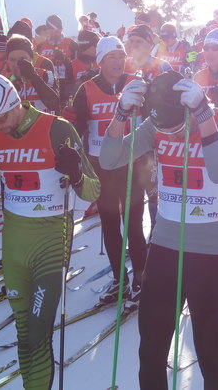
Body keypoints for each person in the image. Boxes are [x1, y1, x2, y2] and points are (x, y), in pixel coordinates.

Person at [0, 74, 100, 389]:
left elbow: (94, 191)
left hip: (51, 242)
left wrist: (77, 174)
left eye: (0, 119)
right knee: (23, 333)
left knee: (37, 334)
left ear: (15, 104)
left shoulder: (57, 128)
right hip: (14, 246)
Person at [100, 71, 218, 390]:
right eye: (165, 130)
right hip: (165, 249)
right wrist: (120, 114)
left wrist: (203, 116)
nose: (171, 135)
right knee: (150, 351)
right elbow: (109, 160)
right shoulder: (156, 124)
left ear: (189, 107)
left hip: (211, 253)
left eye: (177, 128)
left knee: (210, 356)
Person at [68, 36, 149, 303]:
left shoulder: (136, 84)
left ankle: (141, 280)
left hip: (132, 162)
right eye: (111, 57)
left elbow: (152, 121)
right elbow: (78, 126)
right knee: (110, 225)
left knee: (134, 224)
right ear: (100, 61)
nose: (117, 61)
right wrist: (70, 126)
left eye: (121, 56)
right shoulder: (87, 88)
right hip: (101, 165)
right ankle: (119, 279)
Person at [5, 35, 61, 114]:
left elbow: (54, 104)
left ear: (31, 58)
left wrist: (33, 77)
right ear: (7, 61)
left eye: (22, 59)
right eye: (13, 60)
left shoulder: (45, 75)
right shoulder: (5, 82)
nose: (17, 64)